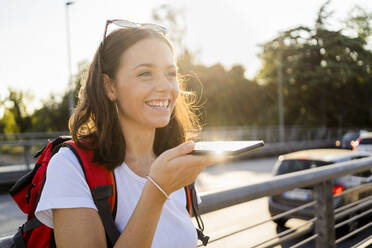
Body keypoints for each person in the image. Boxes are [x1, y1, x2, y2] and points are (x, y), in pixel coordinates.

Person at [35, 19, 225, 248]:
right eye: (145, 73)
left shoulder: (174, 161)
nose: (165, 86)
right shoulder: (70, 167)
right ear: (109, 87)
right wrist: (157, 192)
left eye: (170, 73)